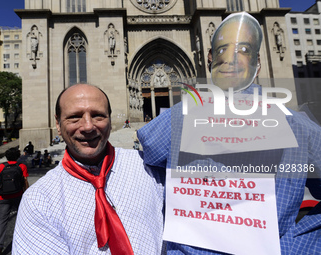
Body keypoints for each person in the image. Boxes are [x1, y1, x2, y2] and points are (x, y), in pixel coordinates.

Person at [137, 12, 321, 254]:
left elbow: (148, 152)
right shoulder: (300, 127)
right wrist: (295, 244)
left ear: (210, 60)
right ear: (258, 64)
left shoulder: (178, 118)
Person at [12, 84, 165, 254]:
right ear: (58, 123)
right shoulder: (39, 200)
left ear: (110, 118)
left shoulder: (148, 168)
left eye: (98, 115)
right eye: (75, 117)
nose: (88, 126)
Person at [0, 147, 29, 254]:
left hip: (3, 197)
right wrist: (26, 194)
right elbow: (25, 182)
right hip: (18, 195)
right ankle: (24, 243)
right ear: (17, 157)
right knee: (23, 219)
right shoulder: (21, 166)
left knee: (2, 221)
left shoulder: (0, 167)